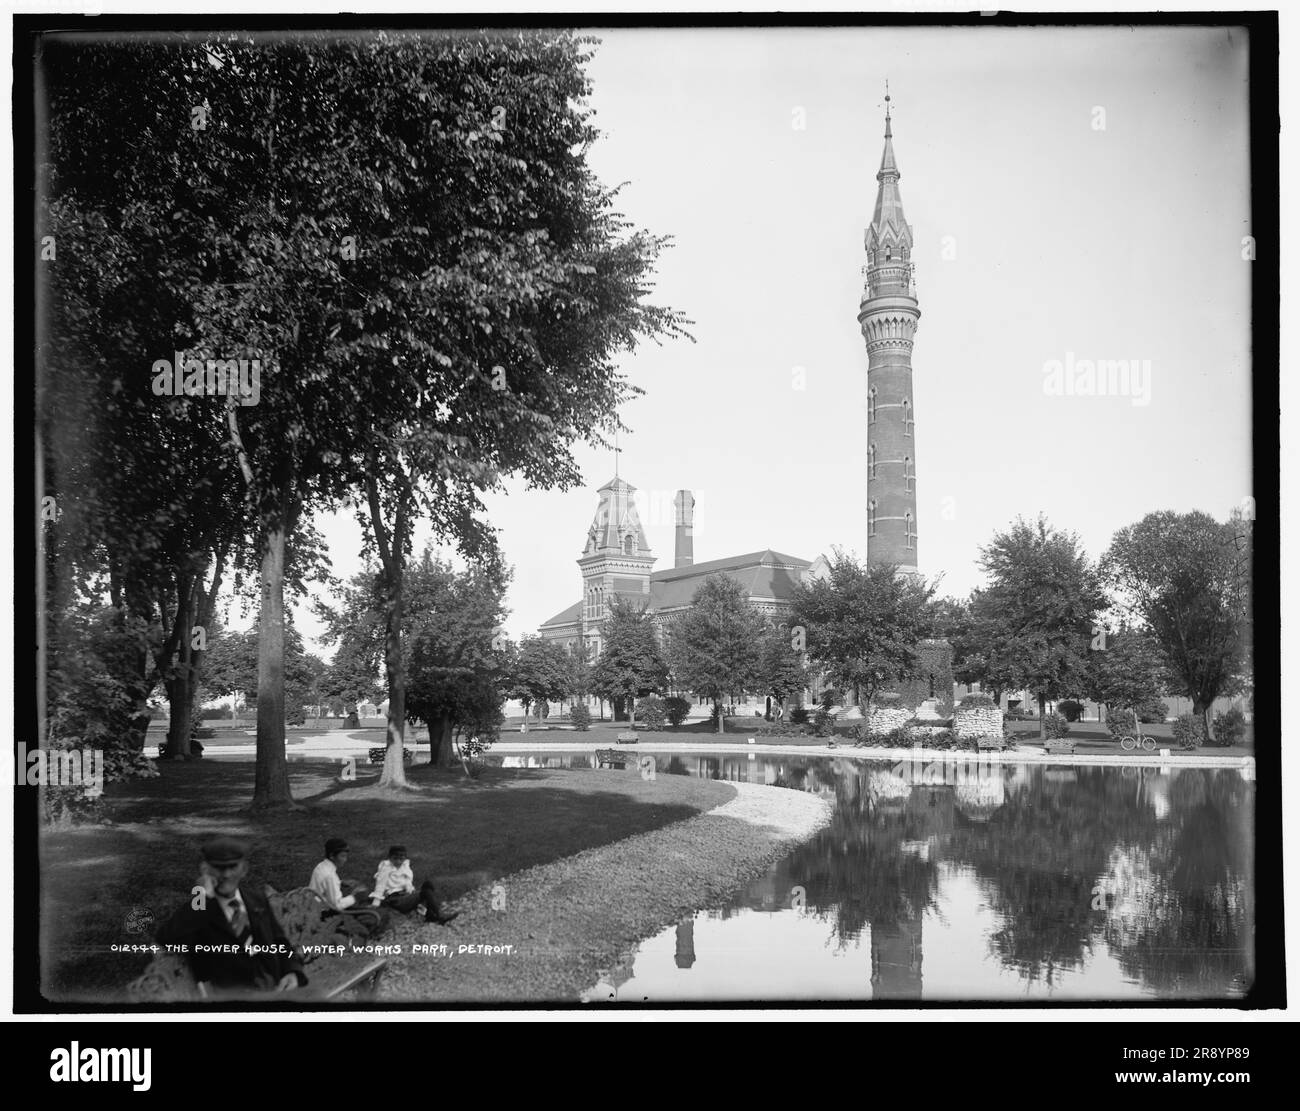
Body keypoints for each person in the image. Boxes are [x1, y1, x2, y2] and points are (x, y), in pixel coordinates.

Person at [155, 836, 306, 998]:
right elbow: (166, 938)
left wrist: (293, 971)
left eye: (232, 866)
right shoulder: (200, 909)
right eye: (219, 868)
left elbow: (279, 941)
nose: (226, 874)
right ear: (206, 870)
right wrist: (202, 897)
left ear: (244, 869)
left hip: (273, 985)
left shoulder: (257, 899)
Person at [369, 845, 459, 925]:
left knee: (428, 884)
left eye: (401, 859)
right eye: (395, 859)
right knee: (425, 892)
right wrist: (376, 903)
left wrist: (411, 891)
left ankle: (430, 915)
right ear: (390, 858)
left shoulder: (404, 866)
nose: (398, 861)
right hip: (395, 899)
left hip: (405, 895)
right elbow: (380, 885)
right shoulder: (386, 868)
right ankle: (440, 915)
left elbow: (407, 881)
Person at [309, 837, 371, 911]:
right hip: (321, 912)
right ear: (332, 856)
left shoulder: (321, 866)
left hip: (311, 904)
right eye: (342, 856)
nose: (345, 860)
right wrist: (355, 897)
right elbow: (336, 906)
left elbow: (324, 884)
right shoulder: (330, 876)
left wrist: (340, 882)